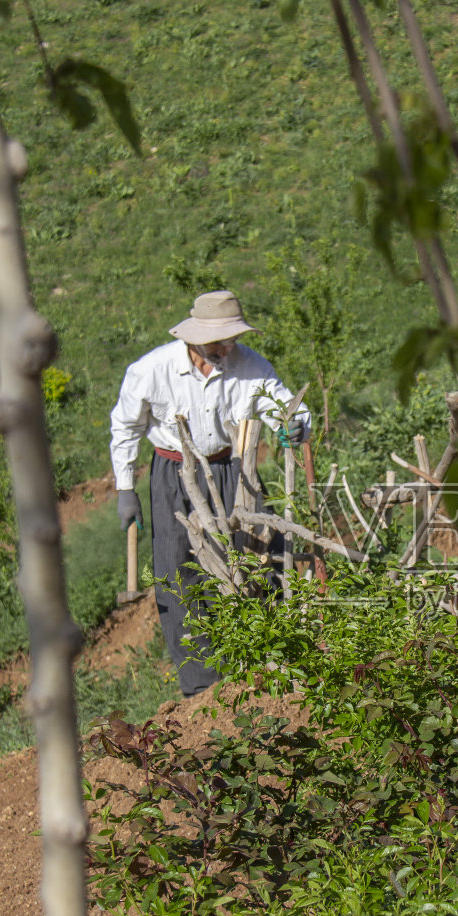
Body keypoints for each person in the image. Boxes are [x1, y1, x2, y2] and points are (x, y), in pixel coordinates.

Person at [109, 289, 310, 696]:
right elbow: (125, 427)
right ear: (193, 338)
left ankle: (267, 663)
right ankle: (201, 687)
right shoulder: (151, 369)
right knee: (177, 572)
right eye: (219, 339)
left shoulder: (250, 366)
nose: (227, 347)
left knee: (260, 560)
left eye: (231, 338)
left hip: (232, 468)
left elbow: (288, 408)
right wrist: (125, 487)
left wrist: (294, 425)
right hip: (174, 474)